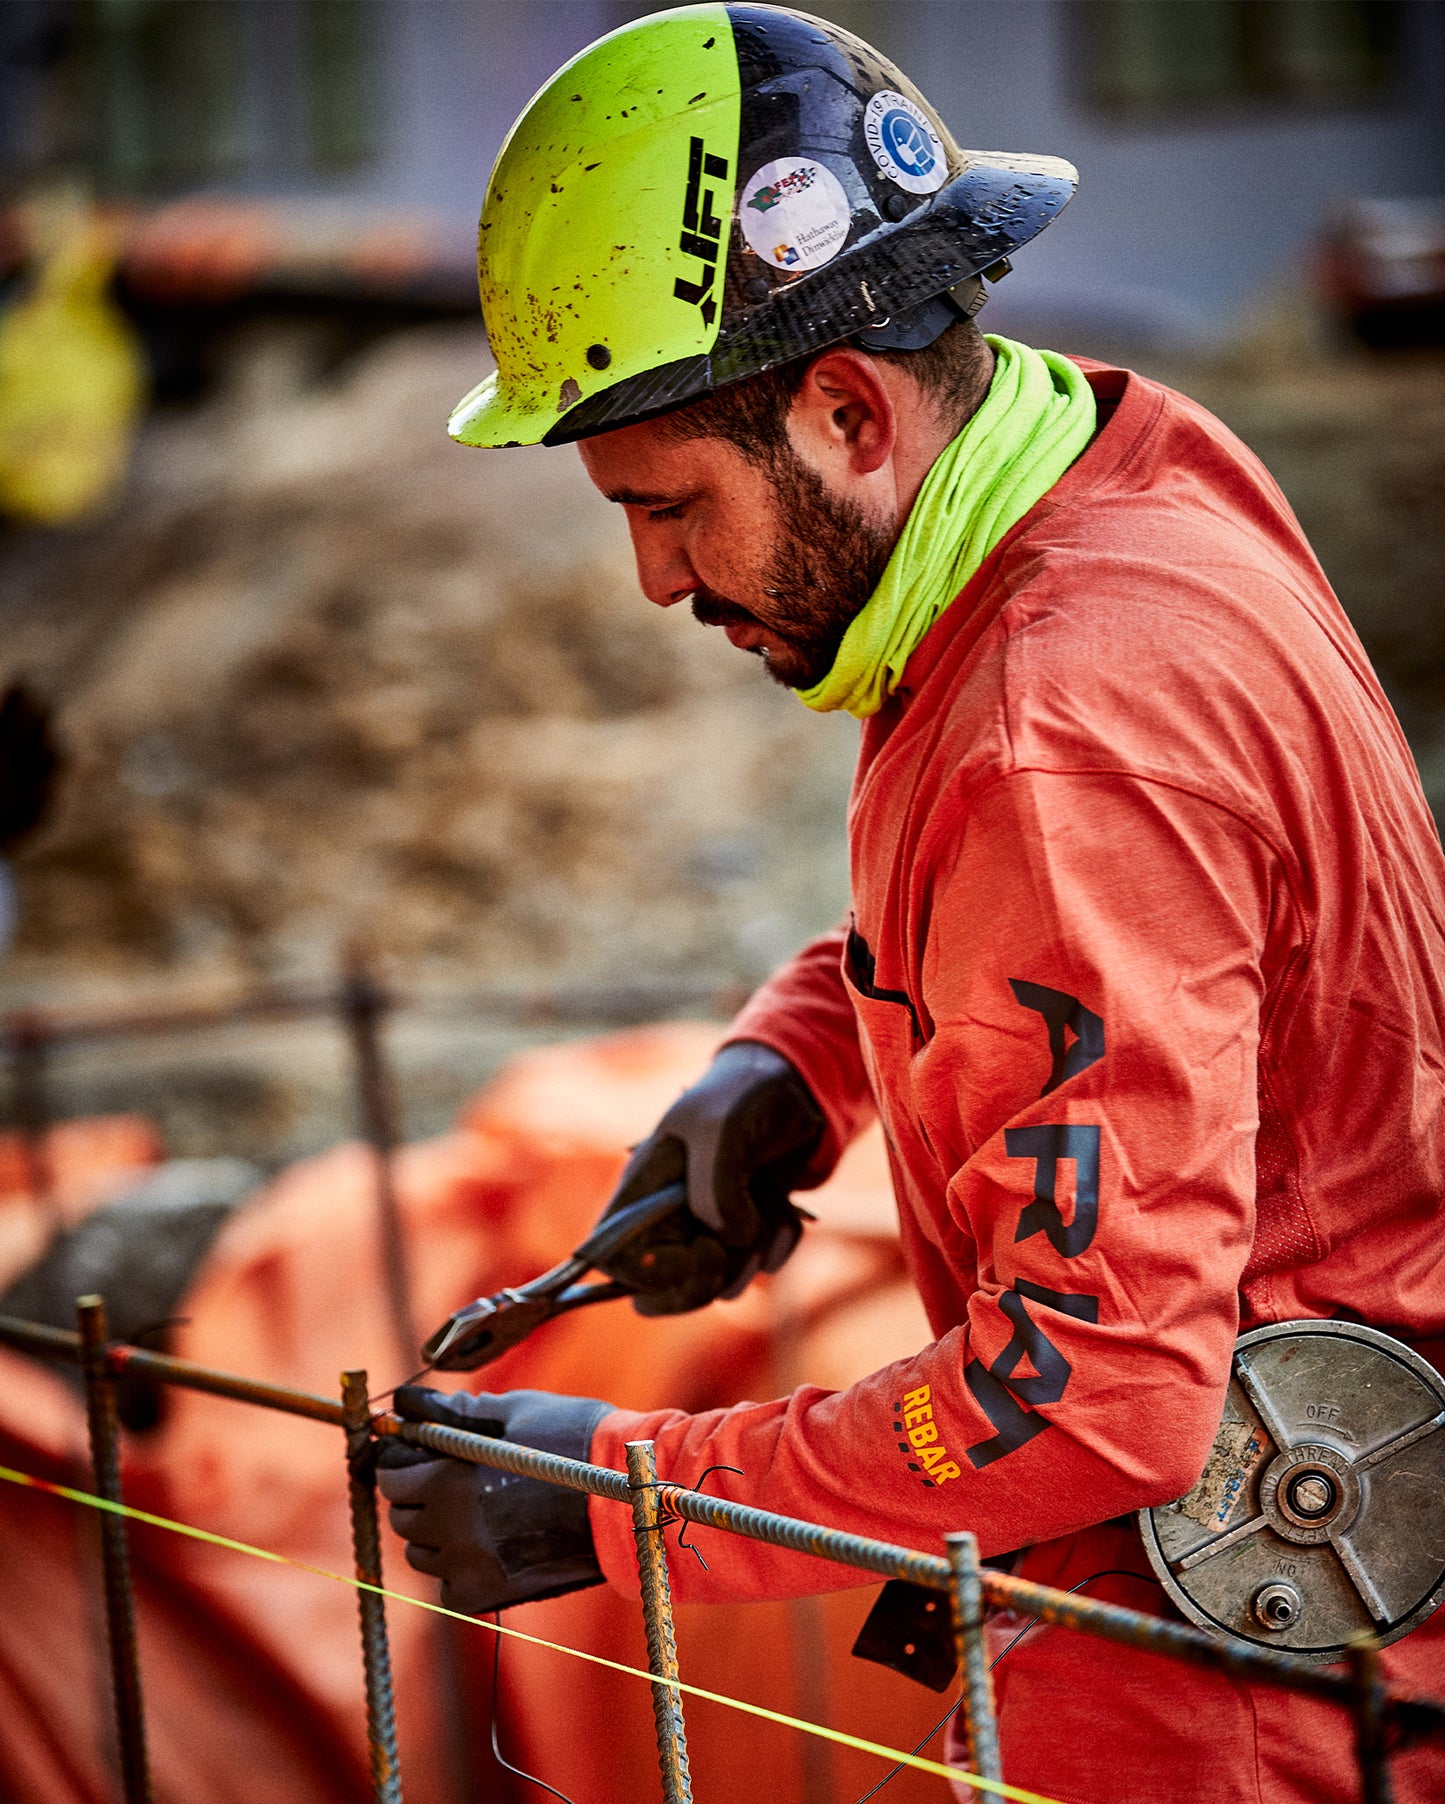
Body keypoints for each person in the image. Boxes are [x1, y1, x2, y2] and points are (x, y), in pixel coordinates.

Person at [377, 8, 1445, 1799]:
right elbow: (1156, 928)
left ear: (847, 408)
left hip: (1228, 1677)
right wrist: (799, 1060)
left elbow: (1088, 1388)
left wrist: (626, 1501)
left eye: (669, 505)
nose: (652, 580)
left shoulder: (1062, 722)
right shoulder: (1123, 478)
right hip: (1277, 1594)